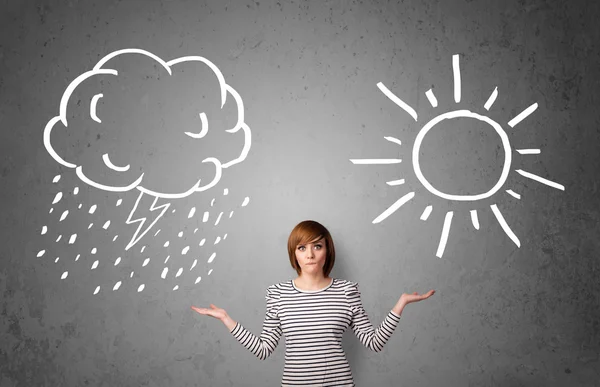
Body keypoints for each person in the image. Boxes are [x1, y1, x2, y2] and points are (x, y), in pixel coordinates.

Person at [191, 220, 435, 386]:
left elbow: (374, 342)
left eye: (317, 246)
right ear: (294, 253)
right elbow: (263, 349)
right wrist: (226, 318)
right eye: (302, 247)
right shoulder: (277, 293)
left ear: (326, 250)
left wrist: (401, 303)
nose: (310, 254)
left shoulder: (347, 291)